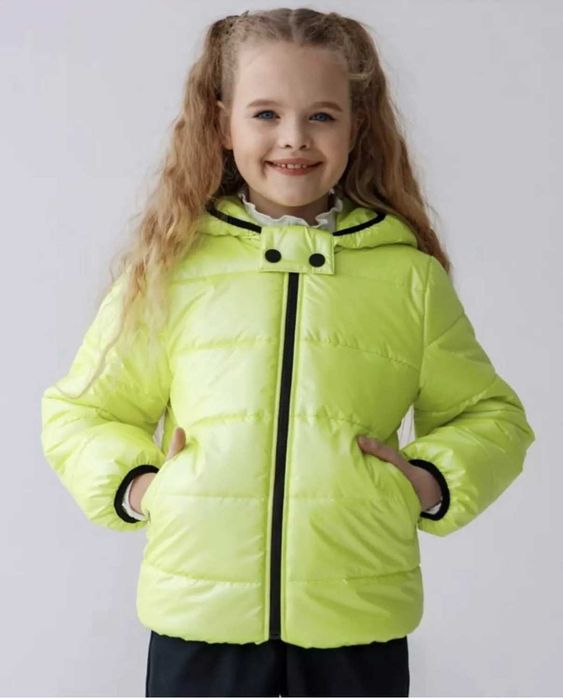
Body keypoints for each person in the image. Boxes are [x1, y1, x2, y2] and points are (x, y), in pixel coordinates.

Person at [40, 7, 536, 698]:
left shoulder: (407, 279)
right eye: (266, 114)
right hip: (200, 619)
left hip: (355, 620)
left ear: (356, 127)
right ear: (223, 125)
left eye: (321, 116)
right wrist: (145, 487)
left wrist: (424, 481)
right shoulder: (174, 269)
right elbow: (81, 412)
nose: (294, 138)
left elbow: (492, 416)